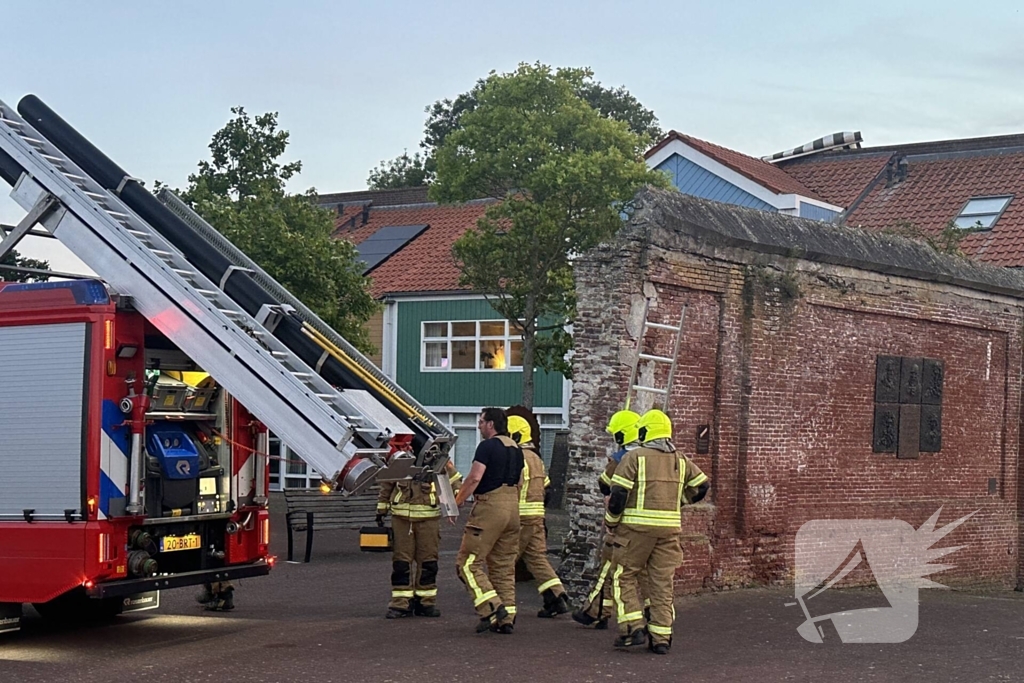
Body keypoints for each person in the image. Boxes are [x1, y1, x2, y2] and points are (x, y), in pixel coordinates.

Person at [605, 409, 709, 655]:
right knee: (662, 582)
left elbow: (618, 494)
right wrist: (678, 502)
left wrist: (612, 521)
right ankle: (661, 637)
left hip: (635, 530)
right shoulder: (680, 460)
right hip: (669, 531)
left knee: (623, 576)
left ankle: (633, 627)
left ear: (644, 431)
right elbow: (702, 486)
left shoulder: (635, 457)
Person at [454, 407, 524, 634]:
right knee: (503, 566)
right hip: (513, 507)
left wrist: (457, 501)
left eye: (481, 421)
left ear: (491, 424)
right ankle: (507, 618)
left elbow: (475, 477)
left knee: (467, 563)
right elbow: (521, 481)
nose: (479, 426)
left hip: (490, 507)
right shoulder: (516, 449)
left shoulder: (487, 447)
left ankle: (491, 607)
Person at [572, 409, 641, 629]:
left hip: (623, 524)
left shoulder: (621, 459)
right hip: (652, 528)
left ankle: (598, 612)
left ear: (622, 436)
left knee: (608, 568)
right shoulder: (657, 457)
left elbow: (604, 484)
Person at [377, 460, 463, 618]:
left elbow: (454, 480)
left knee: (428, 562)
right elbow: (387, 483)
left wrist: (456, 501)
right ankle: (401, 603)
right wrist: (381, 509)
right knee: (401, 563)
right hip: (402, 520)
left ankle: (426, 602)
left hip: (429, 519)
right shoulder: (401, 459)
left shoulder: (438, 459)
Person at [507, 414, 570, 618]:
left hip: (519, 518)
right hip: (536, 518)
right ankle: (557, 597)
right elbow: (547, 490)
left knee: (504, 561)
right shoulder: (536, 458)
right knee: (537, 559)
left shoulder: (515, 457)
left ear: (514, 436)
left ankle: (497, 604)